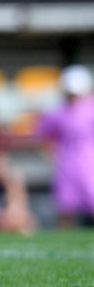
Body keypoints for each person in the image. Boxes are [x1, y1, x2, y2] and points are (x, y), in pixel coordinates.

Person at [36, 64, 94, 228]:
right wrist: (52, 155)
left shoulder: (91, 108)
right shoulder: (58, 111)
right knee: (67, 208)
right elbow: (44, 136)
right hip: (67, 164)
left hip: (90, 163)